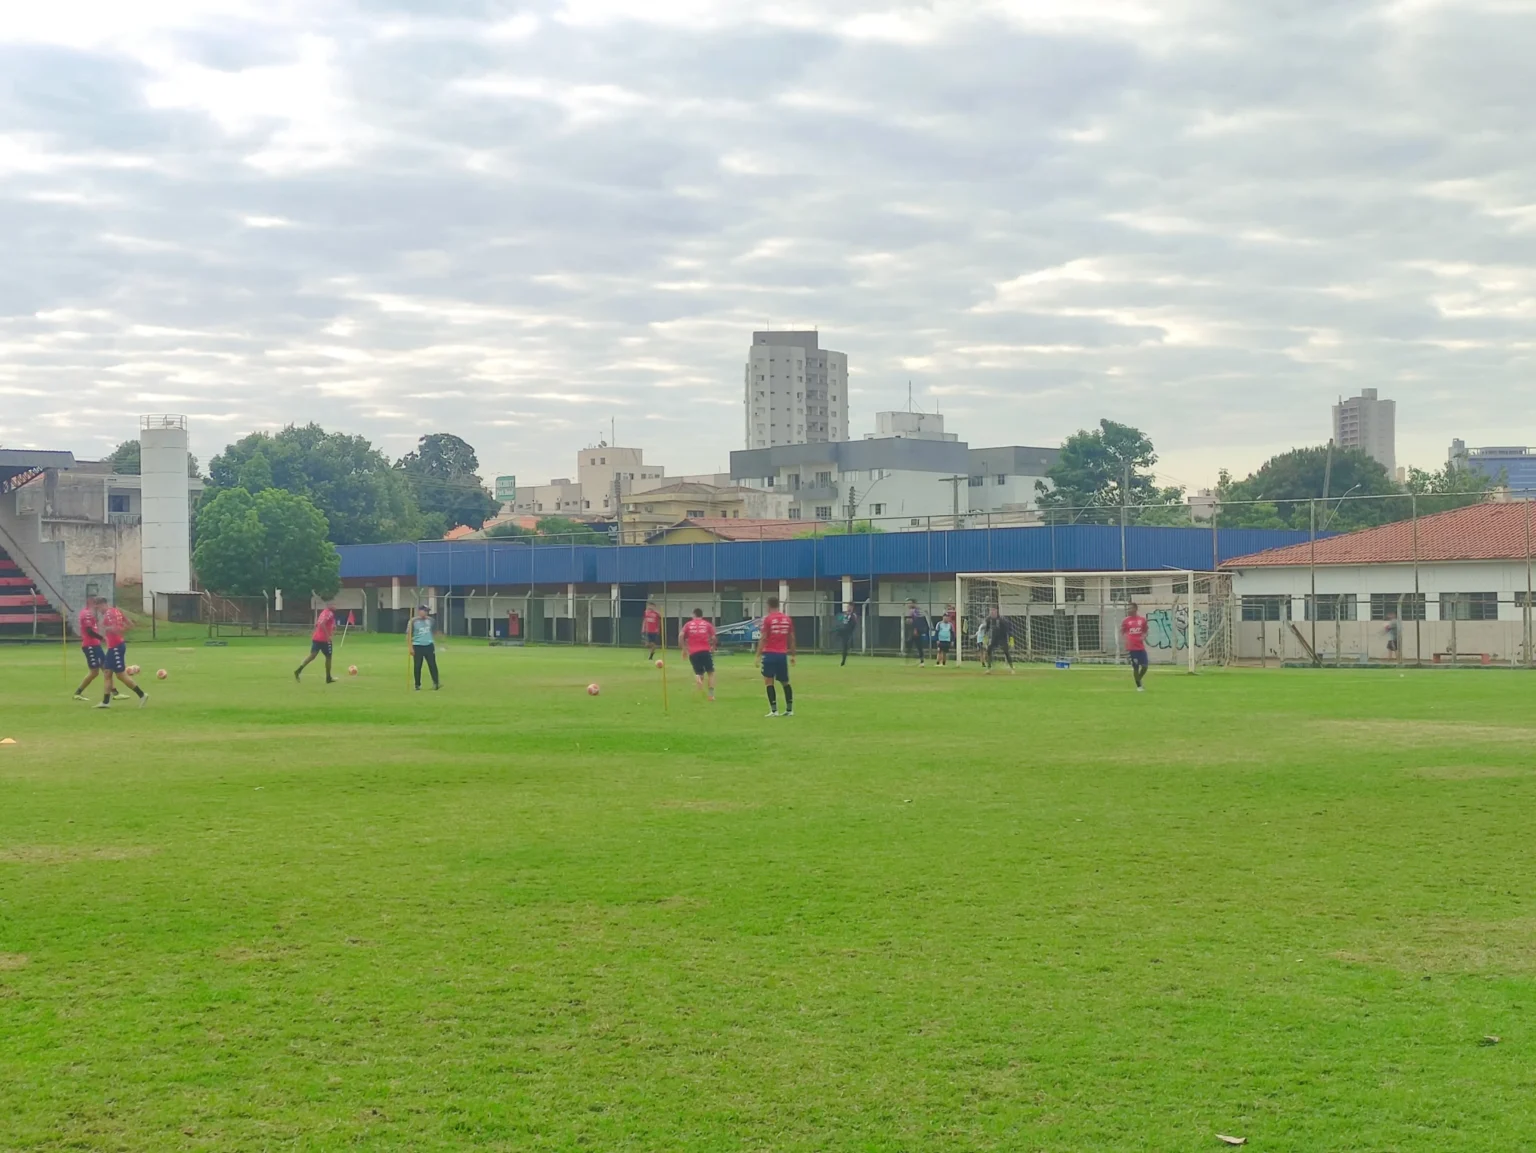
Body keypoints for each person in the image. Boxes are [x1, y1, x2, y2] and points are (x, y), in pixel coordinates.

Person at [756, 595, 796, 717]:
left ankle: (774, 711)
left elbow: (763, 638)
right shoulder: (787, 619)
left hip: (769, 653)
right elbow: (791, 637)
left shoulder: (768, 620)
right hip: (782, 654)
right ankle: (789, 709)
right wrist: (793, 654)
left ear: (768, 606)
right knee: (785, 681)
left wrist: (758, 655)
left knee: (769, 681)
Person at [295, 598, 338, 683]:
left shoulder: (323, 612)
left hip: (316, 638)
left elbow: (317, 623)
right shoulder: (329, 613)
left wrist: (331, 627)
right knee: (328, 657)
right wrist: (328, 636)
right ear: (329, 605)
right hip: (324, 640)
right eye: (334, 604)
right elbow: (322, 624)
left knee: (312, 656)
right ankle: (328, 678)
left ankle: (298, 670)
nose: (335, 606)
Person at [73, 599, 108, 701]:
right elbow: (89, 631)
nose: (98, 607)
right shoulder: (86, 614)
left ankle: (115, 693)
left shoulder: (90, 614)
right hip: (90, 646)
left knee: (106, 669)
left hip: (96, 645)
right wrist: (102, 638)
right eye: (97, 604)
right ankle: (77, 693)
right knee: (94, 672)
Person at [681, 608, 718, 700]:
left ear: (694, 614)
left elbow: (681, 635)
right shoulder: (707, 624)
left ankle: (698, 678)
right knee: (710, 672)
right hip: (705, 650)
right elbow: (713, 637)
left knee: (699, 672)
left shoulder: (688, 624)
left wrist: (684, 649)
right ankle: (711, 695)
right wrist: (713, 646)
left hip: (693, 652)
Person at [408, 604, 440, 690]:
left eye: (427, 611)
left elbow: (434, 632)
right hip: (417, 646)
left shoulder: (431, 620)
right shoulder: (413, 621)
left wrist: (439, 640)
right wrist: (410, 647)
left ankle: (436, 683)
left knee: (432, 665)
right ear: (419, 611)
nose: (426, 613)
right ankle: (417, 685)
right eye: (424, 611)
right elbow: (409, 635)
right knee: (417, 666)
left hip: (429, 645)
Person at [1121, 601, 1150, 691]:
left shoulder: (1142, 620)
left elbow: (1146, 631)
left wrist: (1144, 636)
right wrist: (1126, 640)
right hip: (1132, 648)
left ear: (1135, 609)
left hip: (1141, 647)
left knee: (1145, 666)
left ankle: (1139, 679)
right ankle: (1139, 686)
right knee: (1136, 667)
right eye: (1128, 608)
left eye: (1130, 608)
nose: (1128, 610)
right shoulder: (1126, 621)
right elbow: (1122, 632)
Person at [983, 605, 1015, 674]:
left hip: (1002, 638)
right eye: (991, 610)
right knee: (989, 650)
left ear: (997, 611)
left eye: (993, 610)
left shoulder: (1002, 620)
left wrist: (1011, 640)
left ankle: (1011, 668)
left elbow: (1009, 630)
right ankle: (989, 668)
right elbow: (986, 629)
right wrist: (985, 639)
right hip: (995, 638)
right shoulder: (988, 619)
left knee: (1006, 652)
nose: (992, 612)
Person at [906, 600, 930, 666]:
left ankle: (921, 661)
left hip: (917, 630)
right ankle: (919, 660)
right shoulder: (915, 610)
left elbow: (917, 621)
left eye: (909, 603)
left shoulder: (915, 611)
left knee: (917, 645)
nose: (908, 604)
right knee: (913, 645)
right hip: (915, 630)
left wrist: (916, 629)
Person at [835, 602, 859, 667]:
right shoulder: (845, 614)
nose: (848, 608)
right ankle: (843, 661)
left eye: (849, 607)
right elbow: (841, 620)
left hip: (848, 632)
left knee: (845, 646)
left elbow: (854, 624)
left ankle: (843, 660)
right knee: (844, 646)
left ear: (852, 607)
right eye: (847, 606)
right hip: (843, 631)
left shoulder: (853, 615)